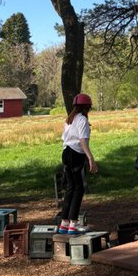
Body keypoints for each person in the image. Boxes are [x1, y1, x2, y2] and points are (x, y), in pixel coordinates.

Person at [56, 94, 95, 236]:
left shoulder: (69, 119)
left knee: (71, 188)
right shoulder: (82, 120)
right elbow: (83, 140)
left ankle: (64, 223)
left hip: (66, 153)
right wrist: (90, 158)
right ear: (86, 107)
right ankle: (73, 223)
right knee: (79, 189)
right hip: (75, 154)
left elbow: (65, 138)